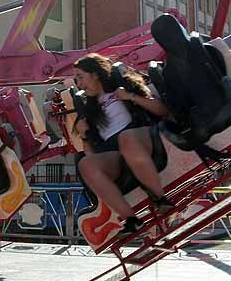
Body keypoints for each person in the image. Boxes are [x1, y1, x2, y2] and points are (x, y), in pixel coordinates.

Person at [72, 54, 174, 234]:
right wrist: (85, 135)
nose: (79, 84)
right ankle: (131, 220)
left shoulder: (123, 87)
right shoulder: (89, 111)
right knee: (85, 164)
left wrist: (130, 96)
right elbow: (92, 156)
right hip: (117, 153)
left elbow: (162, 110)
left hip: (143, 137)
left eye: (80, 77)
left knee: (126, 138)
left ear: (95, 74)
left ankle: (160, 198)